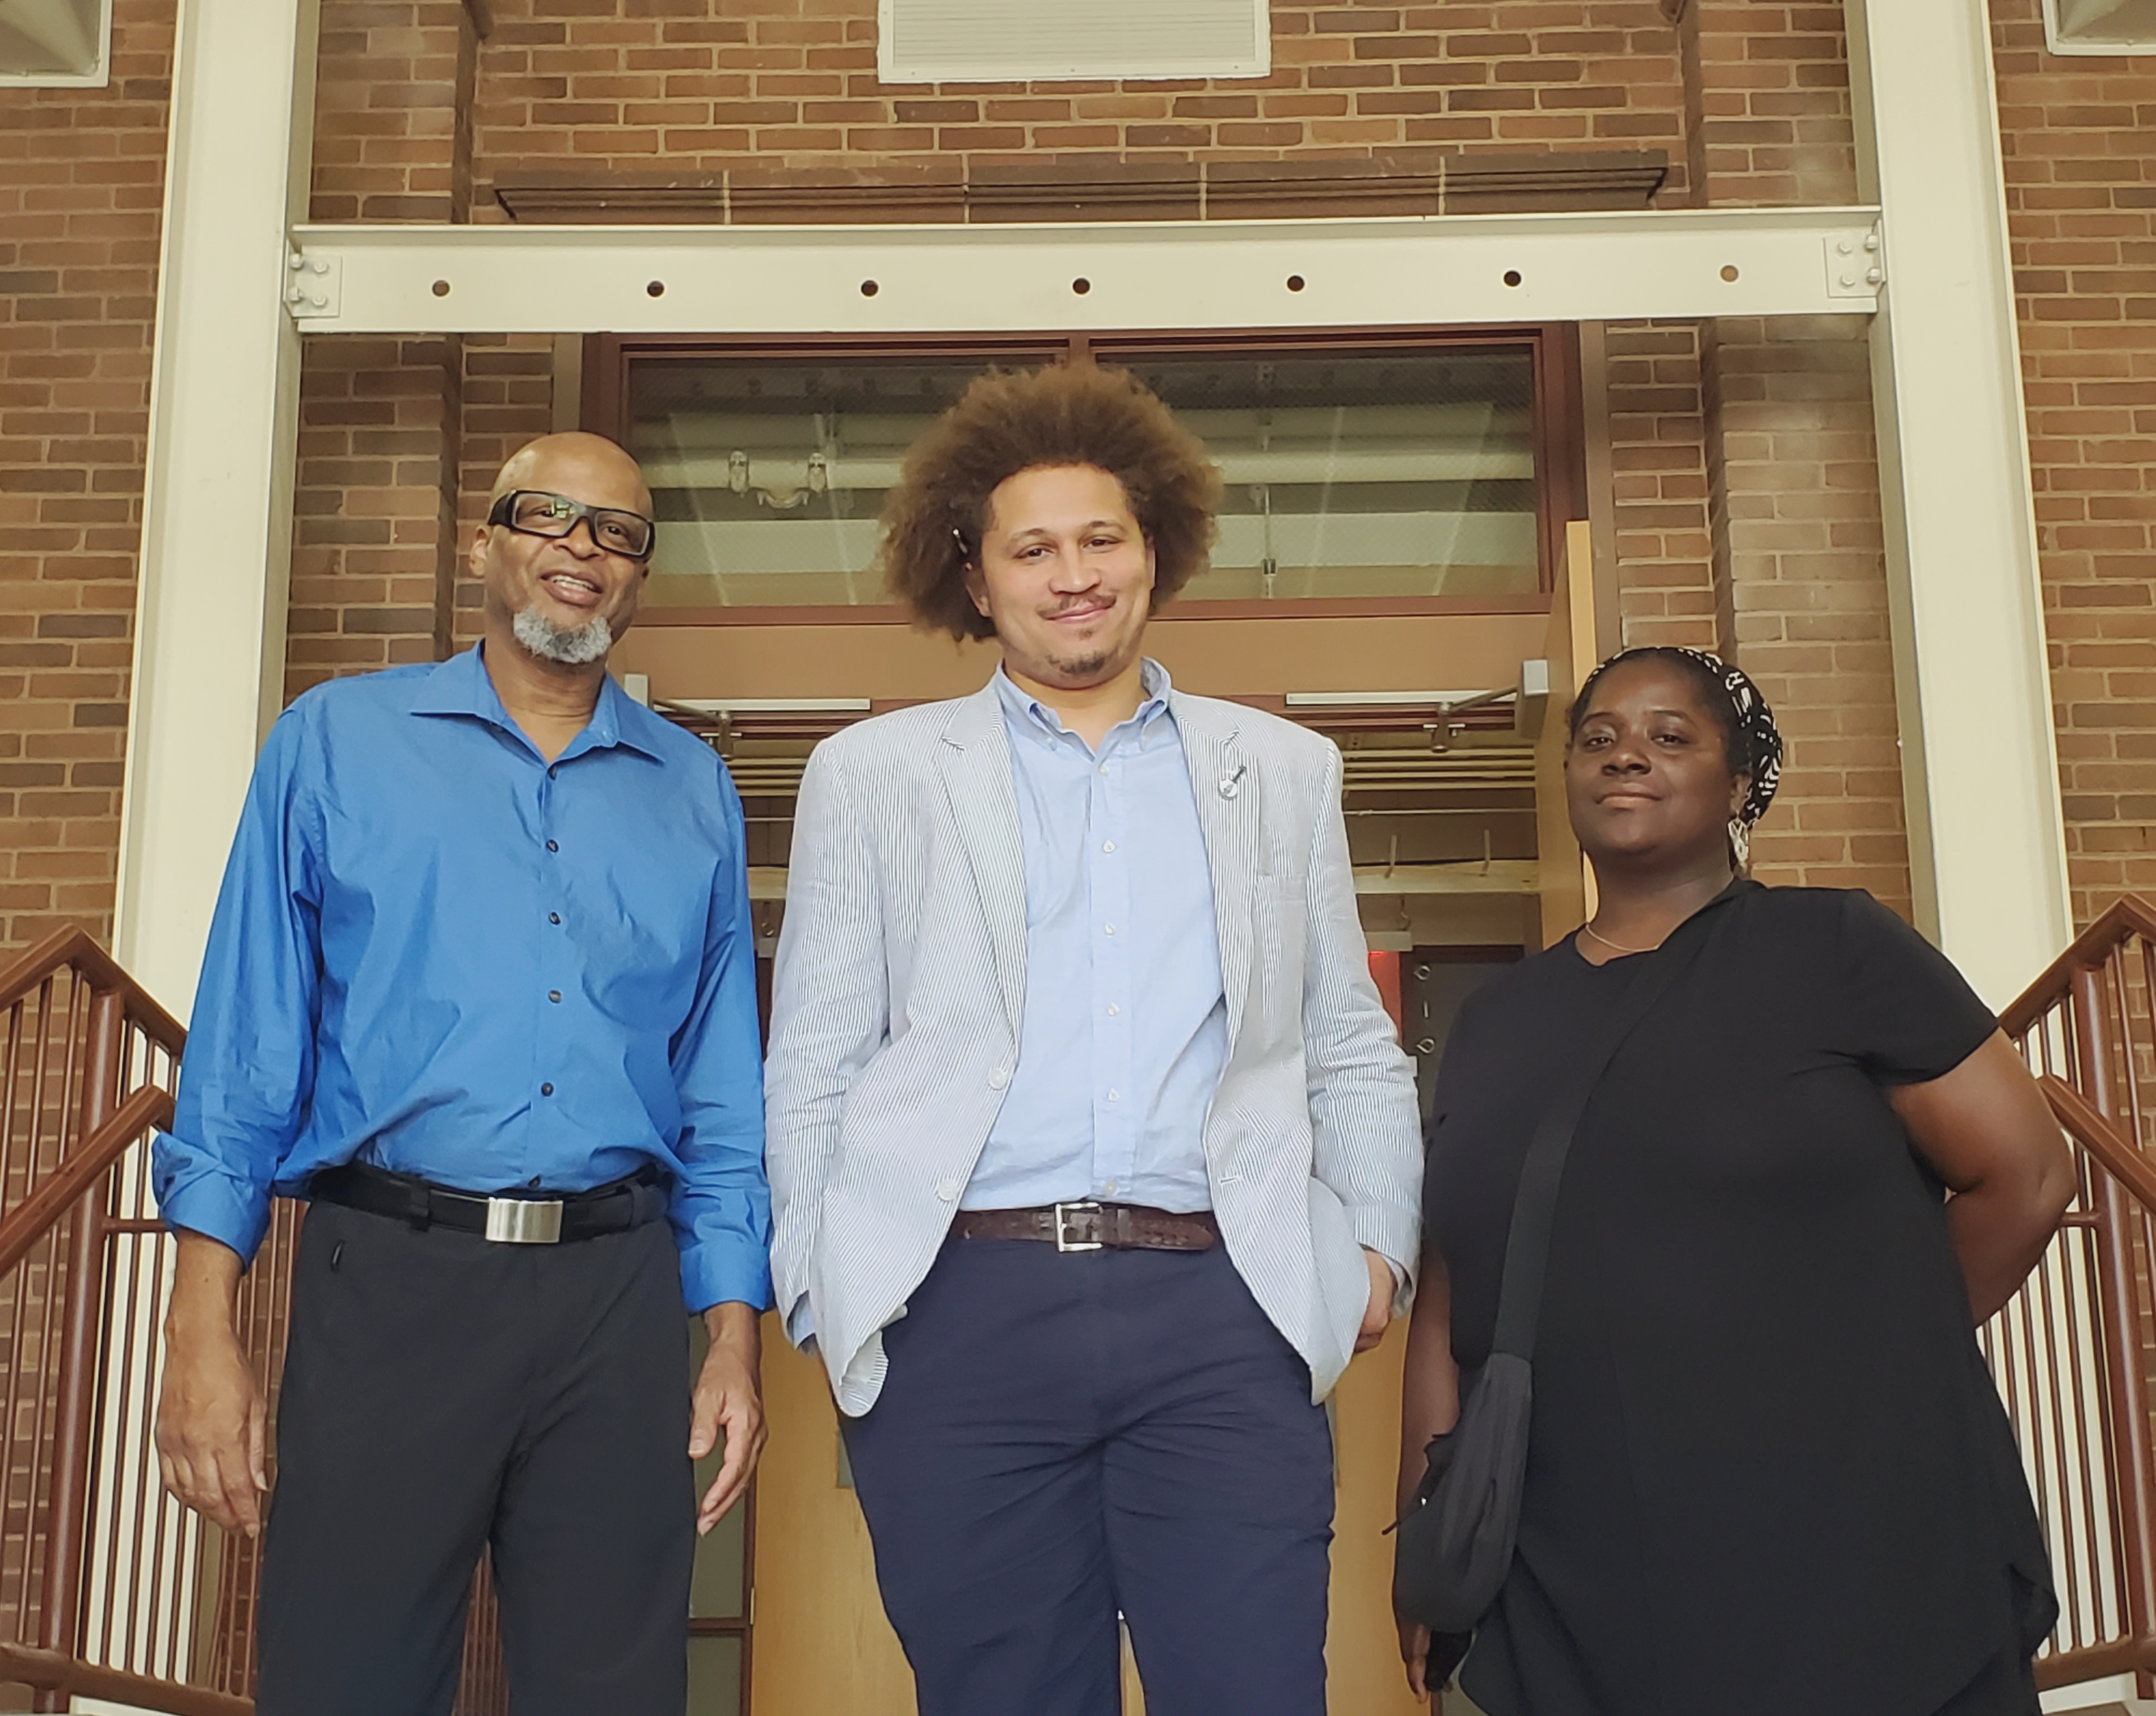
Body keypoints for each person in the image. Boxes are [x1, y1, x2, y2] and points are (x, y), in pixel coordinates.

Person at [764, 363, 1423, 1716]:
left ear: (1154, 551)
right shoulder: (875, 773)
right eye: (1034, 548)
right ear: (976, 575)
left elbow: (1346, 1039)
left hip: (1223, 1305)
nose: (1075, 575)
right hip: (961, 1310)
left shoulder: (1281, 770)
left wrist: (1376, 1256)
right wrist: (828, 1283)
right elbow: (817, 1051)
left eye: (1102, 538)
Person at [149, 431, 769, 1716]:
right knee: (346, 1680)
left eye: (616, 532)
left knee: (617, 1692)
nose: (581, 552)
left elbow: (719, 1089)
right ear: (478, 542)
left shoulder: (694, 790)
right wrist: (199, 1326)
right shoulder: (335, 745)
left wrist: (732, 1335)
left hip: (617, 1289)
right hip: (393, 1278)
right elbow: (247, 1049)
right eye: (549, 518)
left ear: (639, 572)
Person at [1398, 645, 2070, 1716]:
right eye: (1600, 738)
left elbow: (2027, 1177)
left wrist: (1872, 1360)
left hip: (1842, 1532)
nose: (1629, 757)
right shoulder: (1496, 1021)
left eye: (1672, 737)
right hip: (1570, 1560)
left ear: (1737, 784)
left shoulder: (1836, 948)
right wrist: (1430, 1543)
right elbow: (1449, 1295)